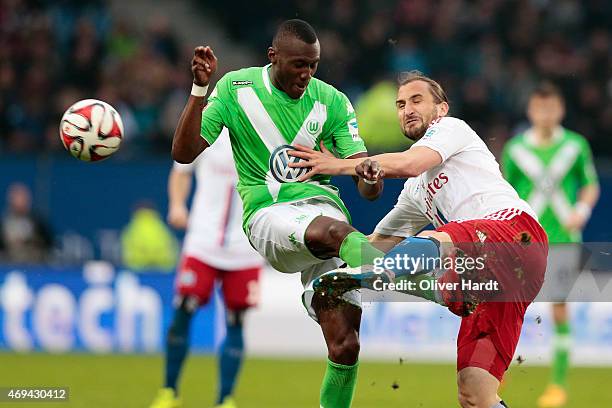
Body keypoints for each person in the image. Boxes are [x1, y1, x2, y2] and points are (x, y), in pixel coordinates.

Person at [289, 70, 549, 408]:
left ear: (441, 109)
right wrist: (315, 248)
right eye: (400, 104)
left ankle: (372, 281)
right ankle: (373, 279)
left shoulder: (453, 129)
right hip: (497, 284)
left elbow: (411, 163)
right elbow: (376, 246)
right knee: (475, 395)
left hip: (515, 234)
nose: (407, 109)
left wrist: (338, 165)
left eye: (416, 100)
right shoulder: (415, 193)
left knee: (439, 240)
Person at [171, 19, 390, 408]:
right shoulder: (237, 89)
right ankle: (413, 280)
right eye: (298, 65)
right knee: (338, 232)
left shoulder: (333, 101)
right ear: (273, 57)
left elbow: (366, 185)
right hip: (268, 215)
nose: (306, 74)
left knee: (346, 345)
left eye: (313, 66)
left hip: (321, 210)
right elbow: (183, 153)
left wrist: (370, 175)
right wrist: (199, 91)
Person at [502, 83, 600, 408]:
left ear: (560, 110)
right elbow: (504, 192)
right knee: (508, 311)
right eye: (539, 108)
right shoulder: (516, 149)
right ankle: (497, 376)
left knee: (559, 310)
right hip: (524, 243)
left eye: (550, 108)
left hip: (562, 242)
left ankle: (557, 385)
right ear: (530, 110)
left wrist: (581, 211)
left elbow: (590, 186)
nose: (544, 114)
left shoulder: (575, 146)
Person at [150, 130, 263, 408]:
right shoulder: (207, 129)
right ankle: (169, 391)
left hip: (245, 247)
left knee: (236, 320)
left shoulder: (267, 132)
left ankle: (225, 399)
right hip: (202, 241)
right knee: (183, 310)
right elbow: (181, 170)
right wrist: (177, 205)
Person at [0, 182, 53, 264]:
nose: (20, 202)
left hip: (33, 266)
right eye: (16, 198)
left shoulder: (37, 222)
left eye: (23, 199)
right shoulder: (4, 223)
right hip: (8, 265)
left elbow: (49, 243)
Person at [121, 202, 179, 272]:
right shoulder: (161, 227)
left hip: (137, 270)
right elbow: (173, 246)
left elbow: (125, 248)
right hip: (163, 271)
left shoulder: (132, 228)